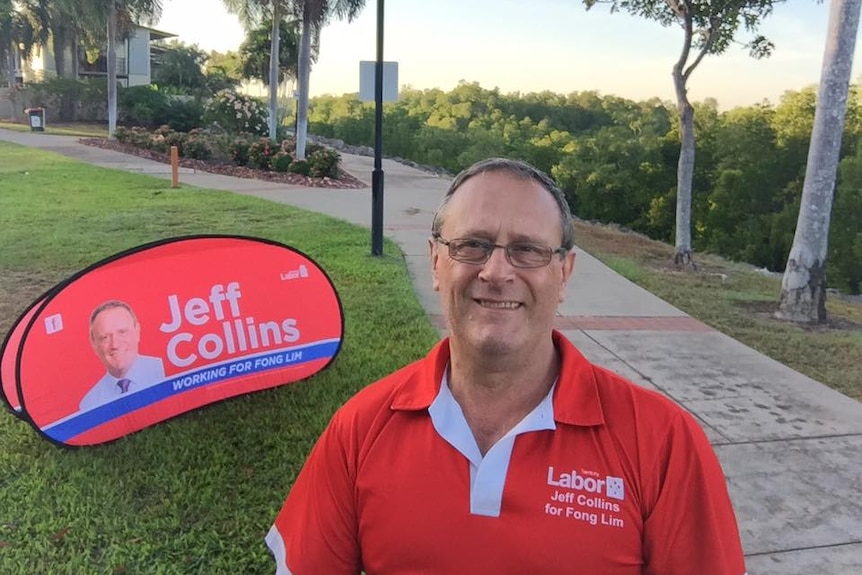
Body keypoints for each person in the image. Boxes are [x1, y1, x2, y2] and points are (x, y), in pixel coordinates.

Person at [265, 158, 748, 574]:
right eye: (471, 245)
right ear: (436, 262)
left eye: (528, 250)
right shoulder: (361, 428)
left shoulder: (663, 444)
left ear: (564, 273)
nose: (496, 272)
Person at [79, 300, 165, 412]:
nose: (114, 344)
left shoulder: (164, 370)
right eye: (104, 337)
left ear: (137, 331)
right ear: (94, 344)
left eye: (122, 332)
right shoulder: (89, 404)